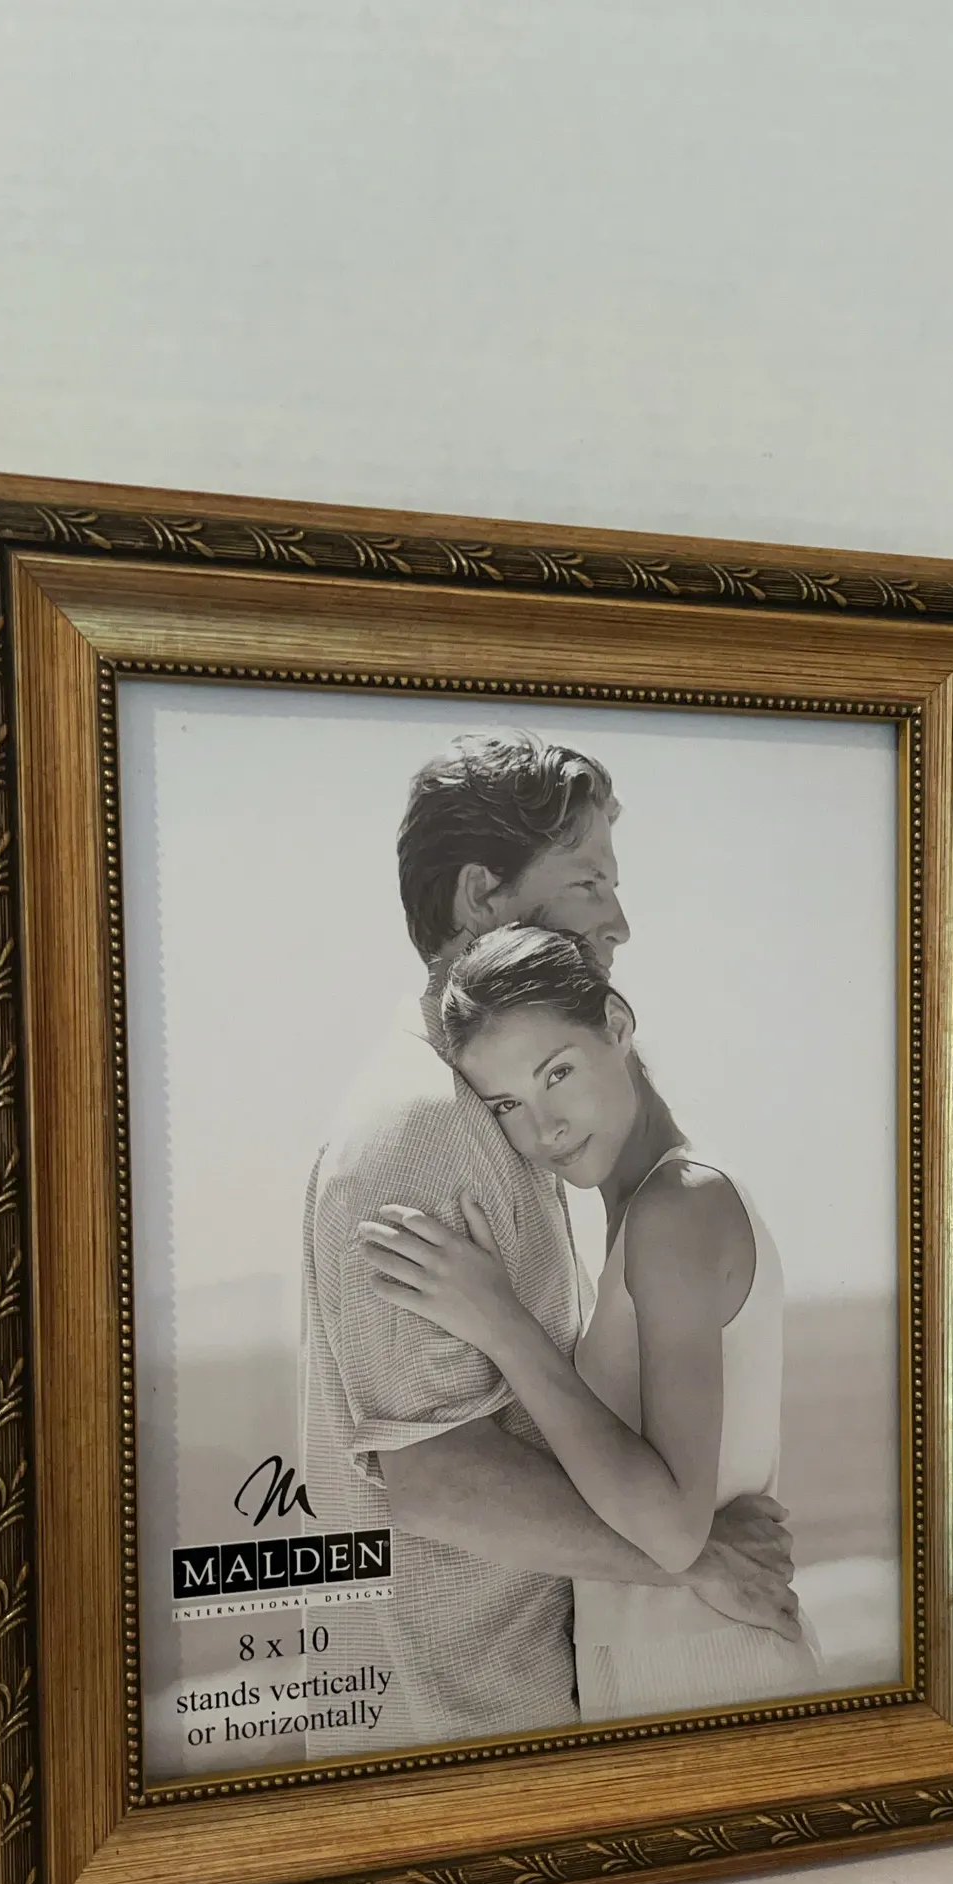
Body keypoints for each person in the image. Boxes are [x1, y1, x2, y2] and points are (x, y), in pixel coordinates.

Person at [299, 730, 799, 1756]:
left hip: (528, 1699)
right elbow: (434, 1475)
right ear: (482, 896)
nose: (619, 920)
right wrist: (695, 1556)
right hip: (458, 1723)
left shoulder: (497, 1116)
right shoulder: (426, 1125)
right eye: (586, 882)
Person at [359, 922, 820, 1720]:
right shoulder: (641, 1216)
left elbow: (673, 1531)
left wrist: (502, 1323)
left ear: (616, 1022)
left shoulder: (679, 1208)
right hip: (660, 1663)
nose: (546, 1128)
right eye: (508, 1104)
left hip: (712, 1670)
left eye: (558, 1073)